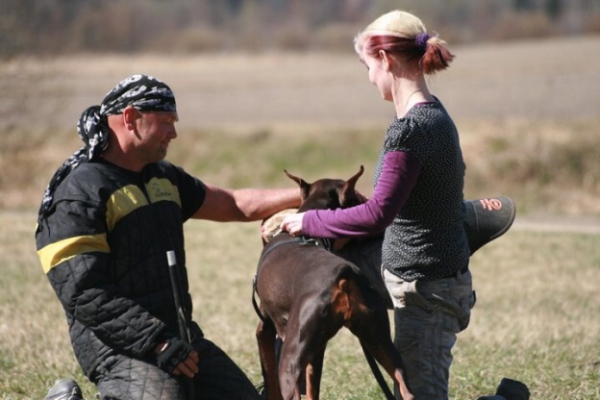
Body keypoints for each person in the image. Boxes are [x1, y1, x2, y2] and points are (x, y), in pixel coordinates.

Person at [35, 74, 300, 400]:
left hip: (180, 338)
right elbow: (83, 291)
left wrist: (311, 193)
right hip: (117, 345)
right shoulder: (78, 192)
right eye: (165, 122)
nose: (174, 133)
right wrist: (156, 341)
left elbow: (233, 204)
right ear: (131, 118)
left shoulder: (164, 178)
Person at [280, 10, 475, 400]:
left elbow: (377, 215)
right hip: (418, 272)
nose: (369, 77)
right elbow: (397, 204)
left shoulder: (411, 131)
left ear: (385, 60)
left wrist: (307, 222)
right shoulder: (436, 115)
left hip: (427, 289)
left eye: (368, 66)